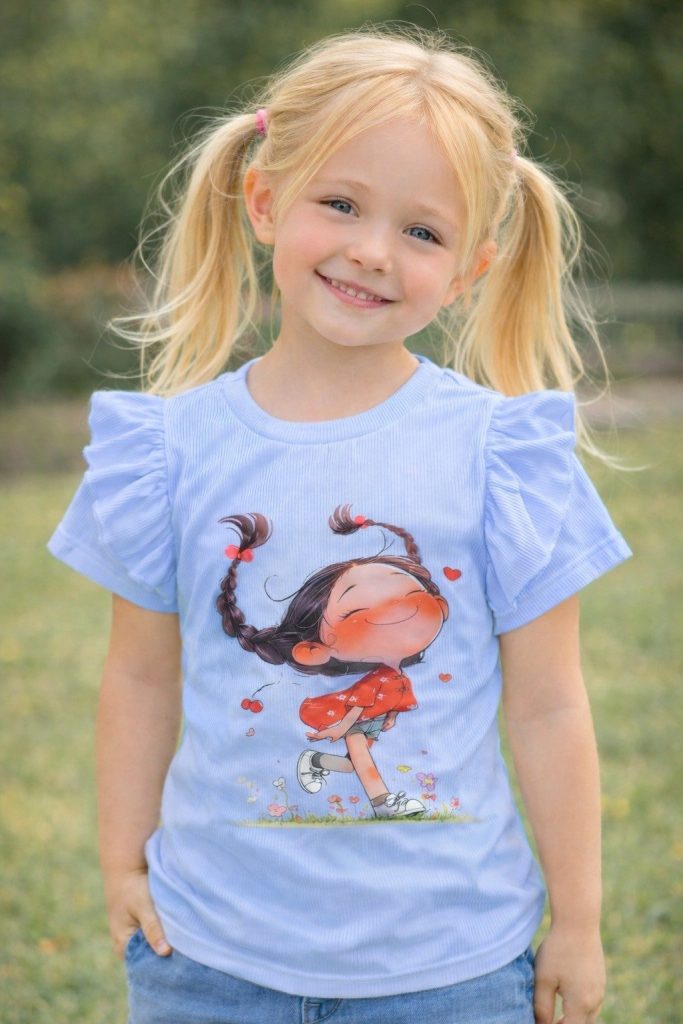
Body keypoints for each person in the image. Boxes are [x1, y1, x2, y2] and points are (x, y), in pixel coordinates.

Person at [47, 24, 632, 1024]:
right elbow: (140, 677)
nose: (371, 250)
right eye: (340, 204)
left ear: (471, 267)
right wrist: (120, 864)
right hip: (207, 959)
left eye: (422, 232)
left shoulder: (499, 453)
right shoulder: (173, 449)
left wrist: (576, 920)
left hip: (450, 969)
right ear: (264, 201)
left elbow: (546, 705)